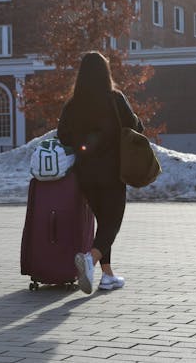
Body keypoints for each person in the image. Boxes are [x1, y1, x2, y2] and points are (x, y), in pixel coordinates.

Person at [57, 51, 144, 294]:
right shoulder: (115, 99)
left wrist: (81, 142)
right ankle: (90, 260)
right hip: (113, 171)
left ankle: (107, 276)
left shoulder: (73, 104)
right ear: (106, 72)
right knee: (112, 222)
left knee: (103, 221)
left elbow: (62, 134)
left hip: (85, 174)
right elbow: (135, 127)